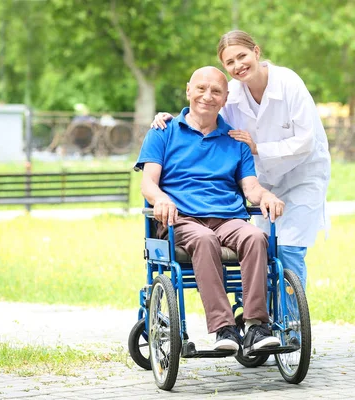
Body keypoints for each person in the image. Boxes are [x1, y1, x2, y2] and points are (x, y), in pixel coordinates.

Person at [152, 30, 331, 290]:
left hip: (302, 175)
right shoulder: (232, 94)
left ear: (256, 52)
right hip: (260, 181)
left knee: (290, 248)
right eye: (229, 62)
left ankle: (291, 325)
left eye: (242, 56)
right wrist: (169, 117)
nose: (238, 66)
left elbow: (306, 141)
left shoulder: (289, 83)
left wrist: (258, 148)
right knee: (264, 247)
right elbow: (203, 112)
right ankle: (260, 316)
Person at [136, 66, 284, 354]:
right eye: (201, 89)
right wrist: (162, 199)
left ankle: (255, 326)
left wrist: (266, 196)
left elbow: (251, 188)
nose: (207, 96)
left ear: (225, 98)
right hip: (182, 220)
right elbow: (148, 185)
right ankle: (224, 328)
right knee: (205, 240)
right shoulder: (163, 132)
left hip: (228, 218)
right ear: (188, 90)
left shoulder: (235, 140)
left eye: (216, 91)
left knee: (255, 238)